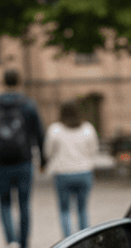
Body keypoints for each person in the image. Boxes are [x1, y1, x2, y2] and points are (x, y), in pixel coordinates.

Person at [0, 69, 44, 248]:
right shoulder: (28, 105)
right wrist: (43, 159)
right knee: (24, 204)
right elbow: (39, 134)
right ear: (19, 81)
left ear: (3, 82)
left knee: (5, 203)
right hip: (24, 160)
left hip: (1, 161)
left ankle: (11, 241)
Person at [44, 100, 102, 237]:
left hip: (63, 173)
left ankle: (68, 240)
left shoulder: (55, 129)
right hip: (84, 172)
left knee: (64, 210)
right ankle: (84, 239)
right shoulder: (88, 128)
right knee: (82, 209)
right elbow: (94, 150)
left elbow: (48, 152)